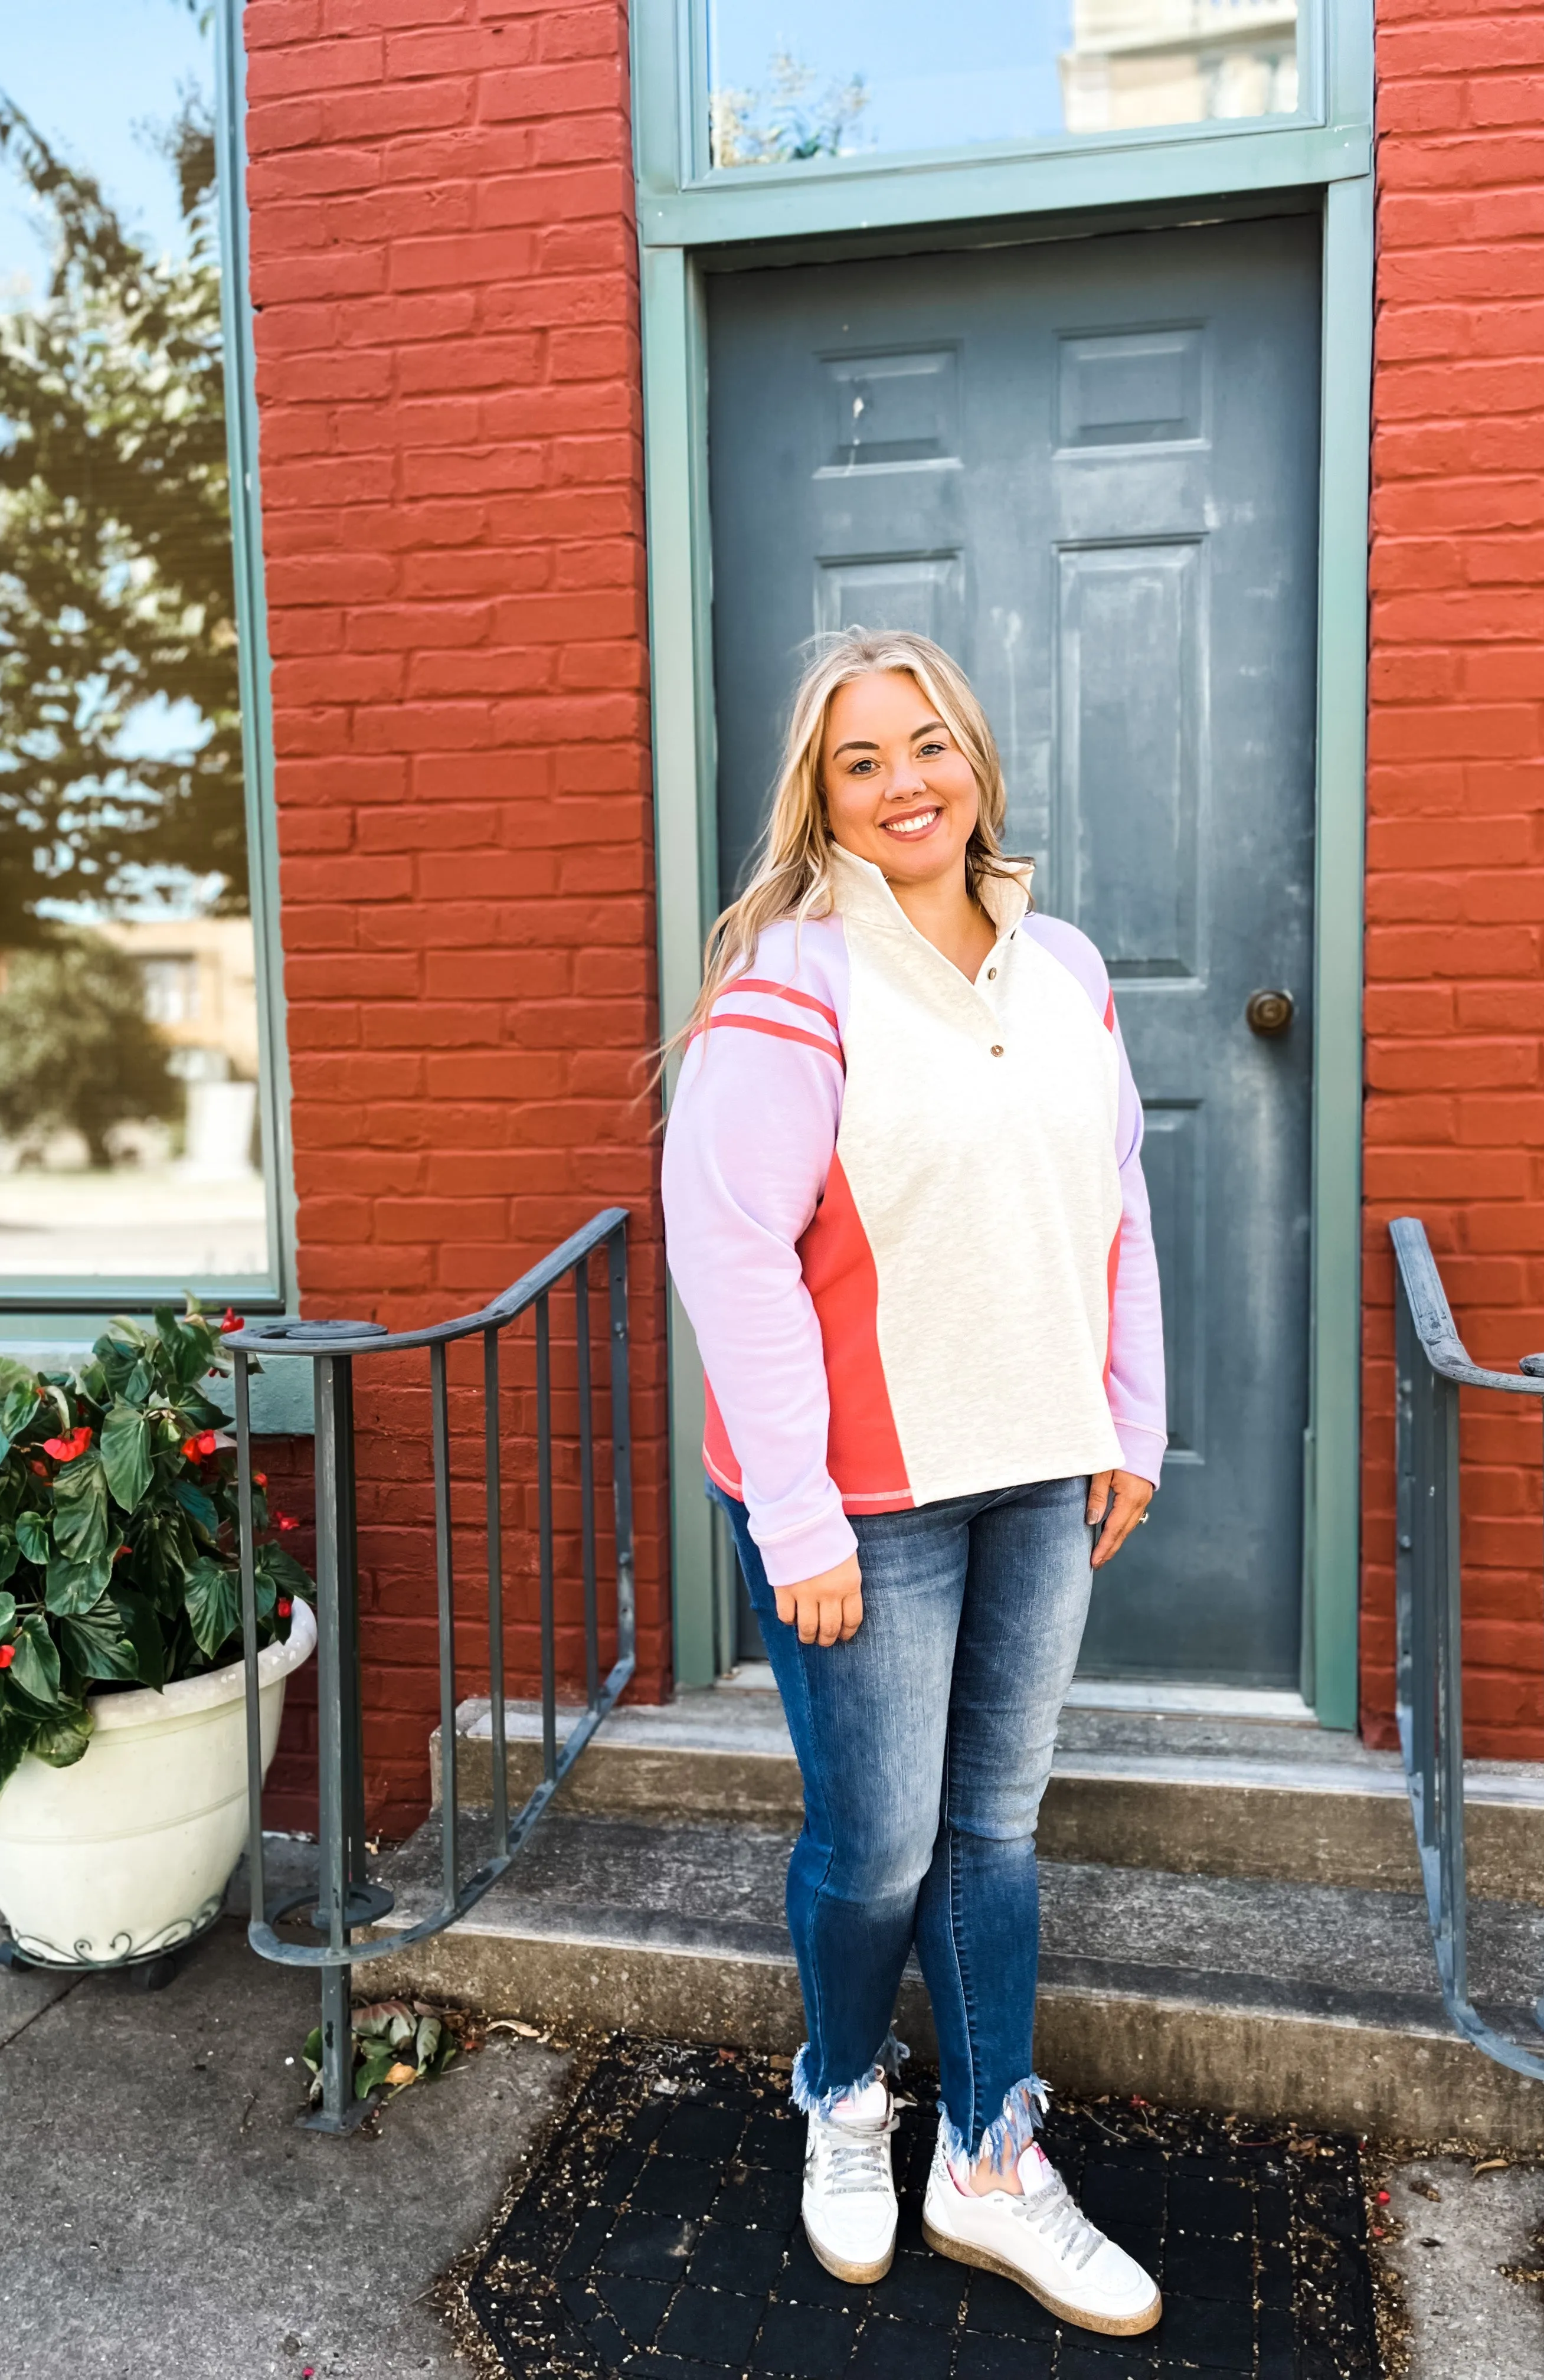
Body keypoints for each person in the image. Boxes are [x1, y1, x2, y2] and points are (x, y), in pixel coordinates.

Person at [661, 627, 1167, 2336]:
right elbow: (728, 1247)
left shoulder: (1068, 967)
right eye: (861, 760)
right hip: (863, 1503)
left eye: (928, 745)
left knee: (995, 1835)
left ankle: (990, 2160)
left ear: (977, 762)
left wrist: (1130, 1422)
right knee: (878, 1845)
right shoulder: (796, 980)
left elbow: (1116, 1207)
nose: (905, 785)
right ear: (819, 793)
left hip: (1037, 1471)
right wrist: (794, 1515)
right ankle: (842, 2092)